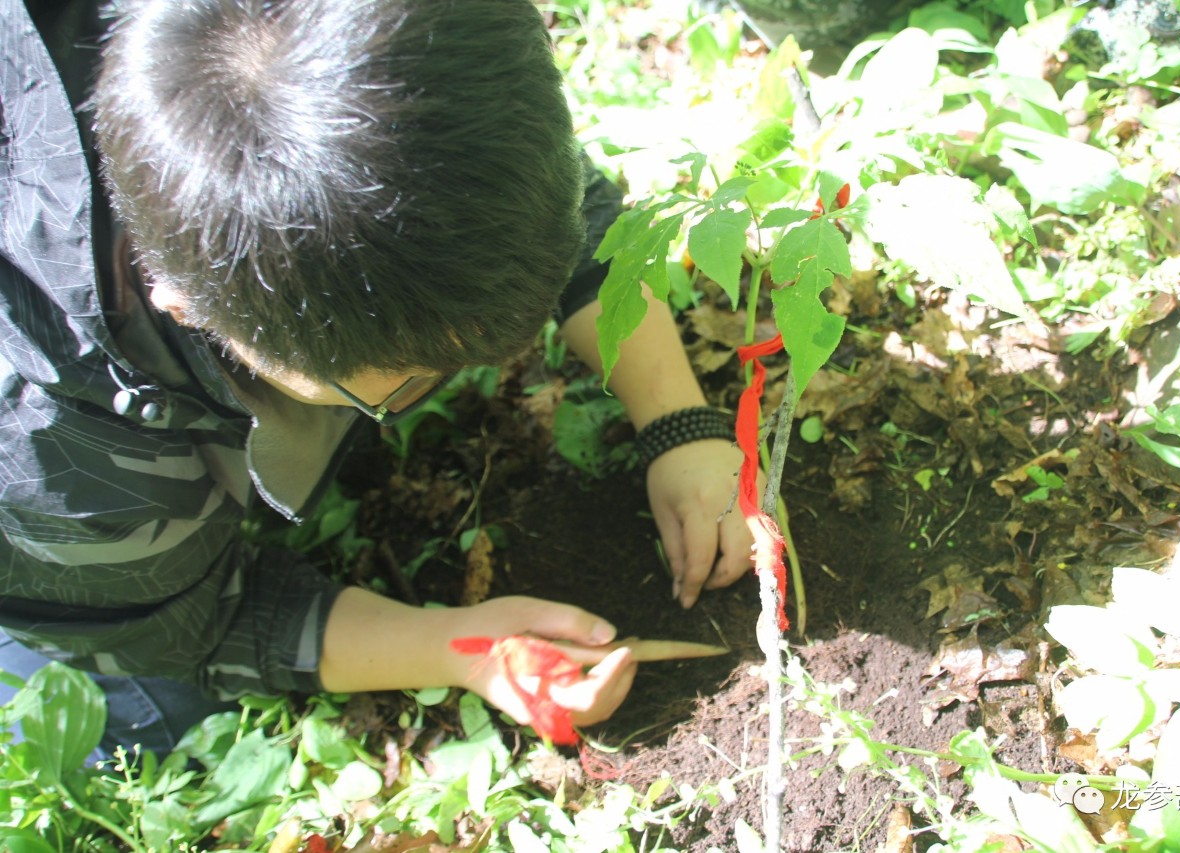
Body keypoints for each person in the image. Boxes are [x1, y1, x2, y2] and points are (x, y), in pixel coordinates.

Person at [0, 0, 752, 761]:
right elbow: (204, 622)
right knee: (158, 727)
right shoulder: (50, 446)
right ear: (188, 305)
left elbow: (558, 213)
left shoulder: (392, 54)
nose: (461, 375)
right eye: (402, 385)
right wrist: (461, 648)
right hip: (63, 548)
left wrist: (678, 422)